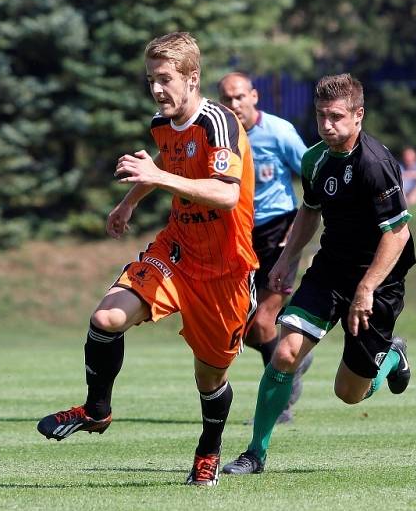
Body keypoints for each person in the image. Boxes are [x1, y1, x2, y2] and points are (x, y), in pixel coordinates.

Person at [36, 32, 258, 487]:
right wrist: (131, 202)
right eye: (151, 80)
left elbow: (225, 193)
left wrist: (157, 176)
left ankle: (208, 451)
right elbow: (166, 157)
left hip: (226, 271)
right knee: (107, 317)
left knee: (209, 379)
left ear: (192, 78)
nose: (157, 90)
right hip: (176, 251)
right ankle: (97, 411)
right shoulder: (163, 122)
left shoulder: (219, 124)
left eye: (165, 80)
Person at [223, 73, 415, 475]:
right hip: (329, 270)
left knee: (348, 393)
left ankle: (392, 356)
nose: (327, 125)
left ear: (358, 116)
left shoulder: (376, 165)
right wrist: (286, 259)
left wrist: (366, 288)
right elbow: (309, 210)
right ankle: (255, 453)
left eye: (336, 117)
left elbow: (397, 234)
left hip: (378, 280)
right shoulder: (315, 159)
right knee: (285, 352)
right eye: (321, 116)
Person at [218, 72, 312, 424]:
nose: (235, 104)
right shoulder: (221, 139)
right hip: (239, 238)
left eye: (240, 96)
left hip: (280, 236)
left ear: (254, 96)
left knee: (262, 323)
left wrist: (301, 230)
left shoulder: (279, 132)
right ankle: (296, 357)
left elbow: (313, 176)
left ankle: (280, 403)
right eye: (227, 99)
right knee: (236, 326)